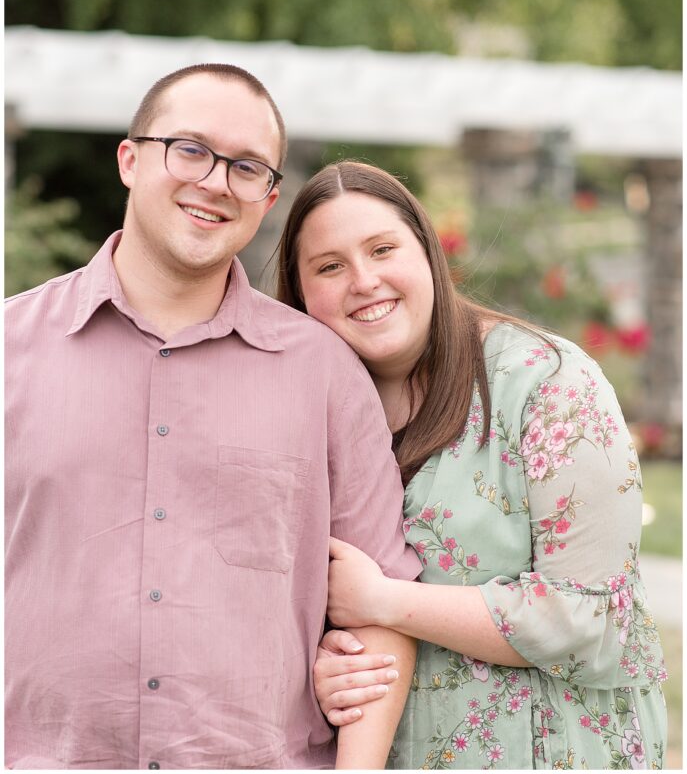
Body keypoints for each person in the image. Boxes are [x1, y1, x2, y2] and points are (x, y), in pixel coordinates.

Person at [5, 66, 422, 771]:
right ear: (131, 160)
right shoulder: (10, 348)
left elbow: (381, 610)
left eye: (246, 166)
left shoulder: (324, 375)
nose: (216, 181)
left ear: (267, 198)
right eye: (190, 149)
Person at [277, 160, 668, 771]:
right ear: (300, 294)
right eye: (330, 266)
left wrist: (383, 601)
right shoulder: (293, 418)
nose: (363, 280)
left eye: (383, 249)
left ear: (428, 254)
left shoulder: (548, 385)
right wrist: (323, 668)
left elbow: (591, 616)